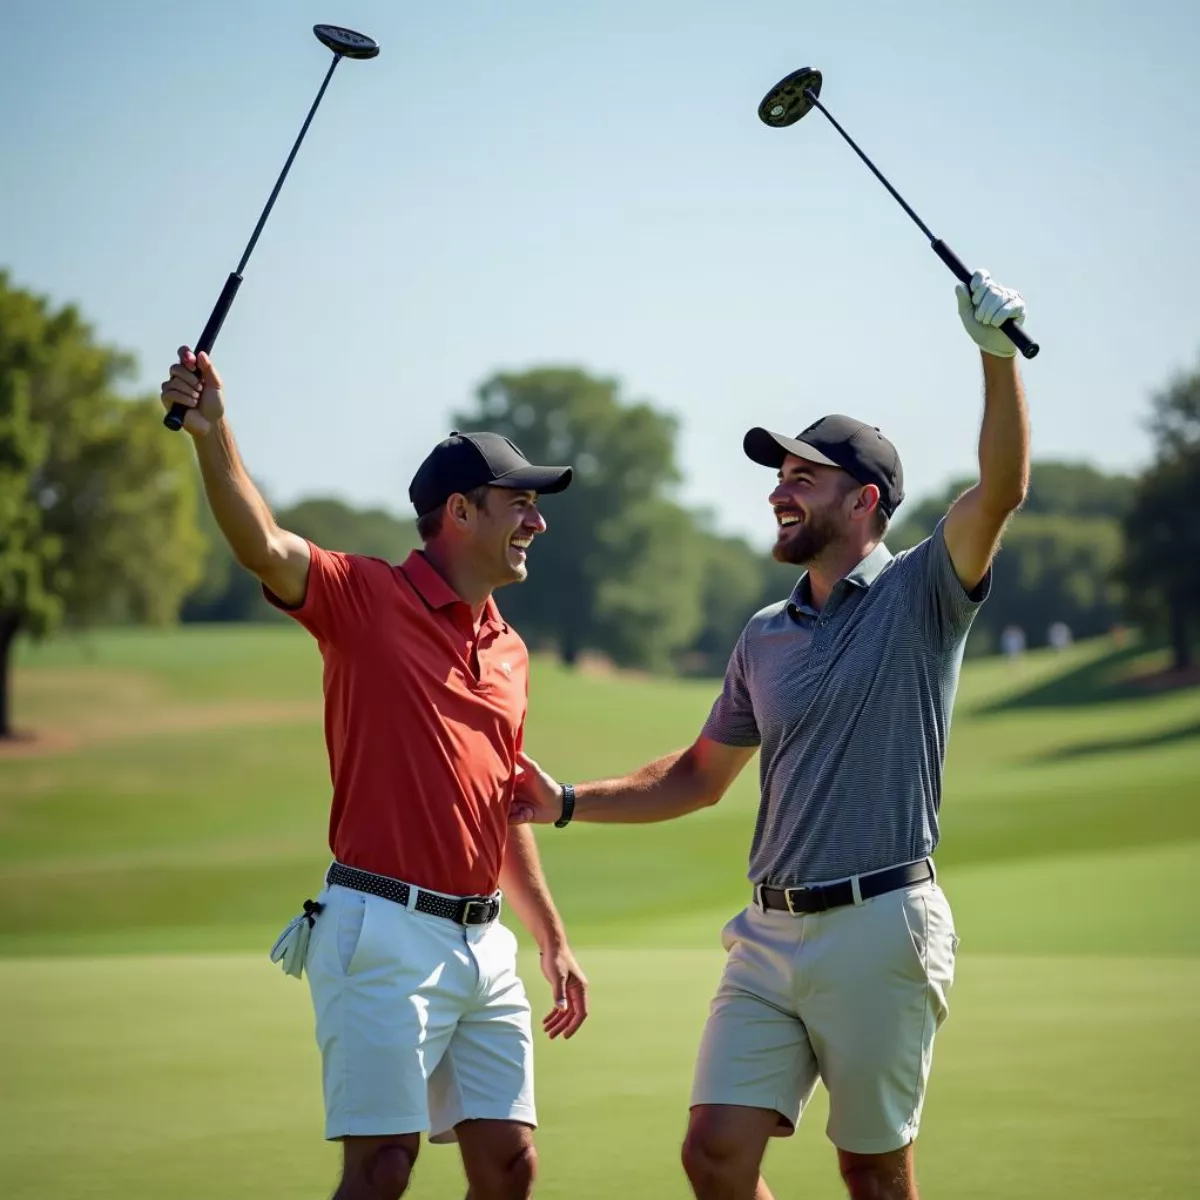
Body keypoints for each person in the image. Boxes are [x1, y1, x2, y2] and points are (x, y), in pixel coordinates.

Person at [511, 271, 1031, 1200]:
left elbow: (1001, 488)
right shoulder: (766, 633)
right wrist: (569, 804)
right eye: (777, 478)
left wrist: (996, 358)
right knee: (713, 1154)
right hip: (766, 933)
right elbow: (699, 776)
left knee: (872, 1174)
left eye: (803, 477)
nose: (779, 494)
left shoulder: (923, 593)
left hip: (882, 926)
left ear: (866, 500)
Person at [160, 347, 590, 1200]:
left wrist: (550, 933)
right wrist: (212, 433)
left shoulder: (508, 648)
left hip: (484, 939)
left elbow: (495, 807)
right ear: (460, 511)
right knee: (383, 1167)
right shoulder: (364, 598)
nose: (537, 522)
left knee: (511, 1169)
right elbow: (264, 544)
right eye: (521, 505)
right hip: (381, 929)